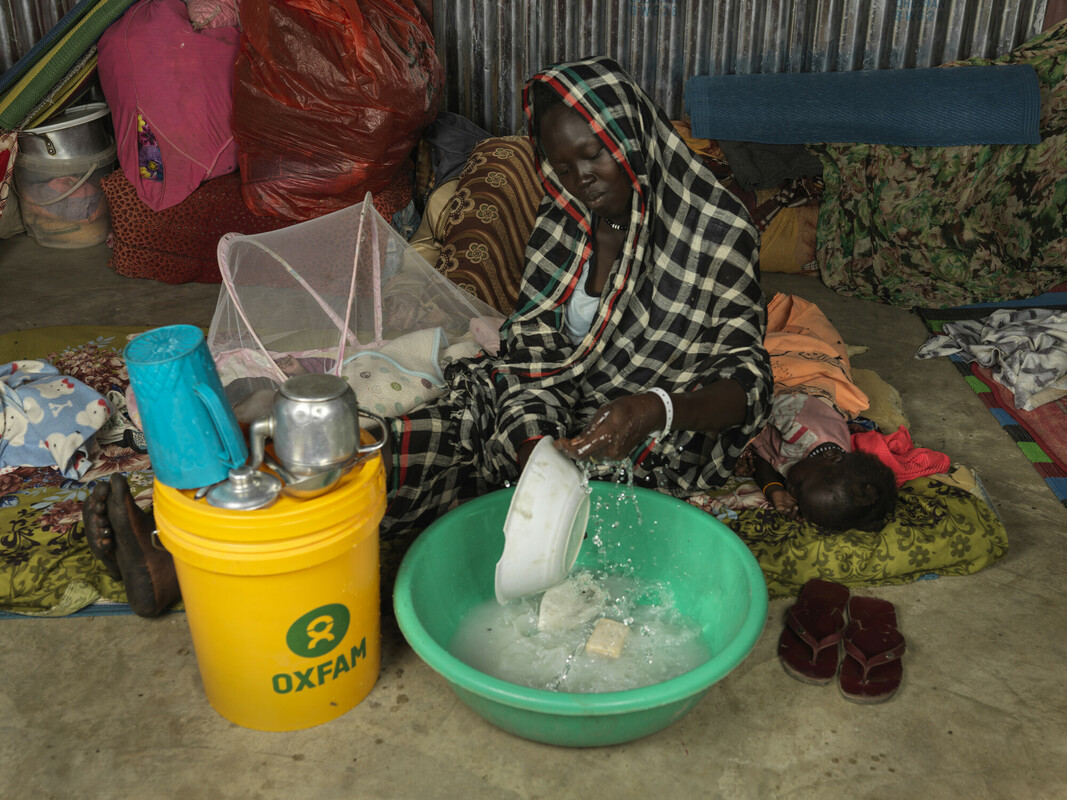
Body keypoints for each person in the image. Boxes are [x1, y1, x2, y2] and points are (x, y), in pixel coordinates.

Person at [82, 56, 773, 616]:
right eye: (561, 167)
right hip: (542, 405)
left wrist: (651, 410)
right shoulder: (567, 223)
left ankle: (214, 568)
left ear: (630, 139)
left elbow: (747, 385)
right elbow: (533, 346)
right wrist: (531, 437)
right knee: (384, 454)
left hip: (648, 438)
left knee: (541, 515)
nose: (579, 180)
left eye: (593, 155)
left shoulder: (714, 234)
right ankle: (184, 562)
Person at [747, 293, 897, 531]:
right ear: (830, 456)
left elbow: (770, 458)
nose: (790, 488)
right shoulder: (802, 426)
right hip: (800, 383)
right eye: (797, 489)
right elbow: (748, 406)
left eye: (798, 499)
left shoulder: (817, 474)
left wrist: (773, 489)